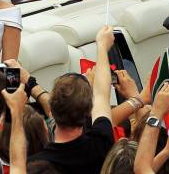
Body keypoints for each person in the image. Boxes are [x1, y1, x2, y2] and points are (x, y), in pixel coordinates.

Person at [28, 26, 115, 172]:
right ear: (89, 111)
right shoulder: (101, 143)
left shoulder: (36, 164)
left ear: (52, 110)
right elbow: (102, 94)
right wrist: (102, 46)